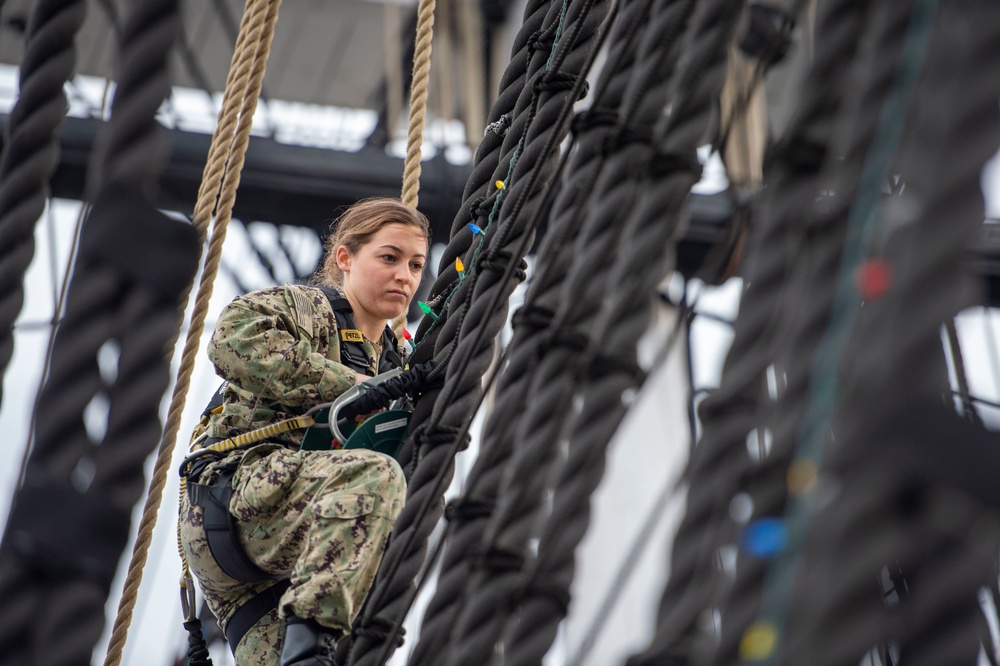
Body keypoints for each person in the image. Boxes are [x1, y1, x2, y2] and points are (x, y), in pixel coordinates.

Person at [178, 197, 430, 666]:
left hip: (293, 551)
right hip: (238, 497)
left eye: (416, 265)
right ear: (345, 258)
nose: (406, 277)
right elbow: (234, 340)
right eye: (389, 258)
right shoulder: (308, 307)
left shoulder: (396, 361)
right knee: (374, 478)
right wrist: (354, 387)